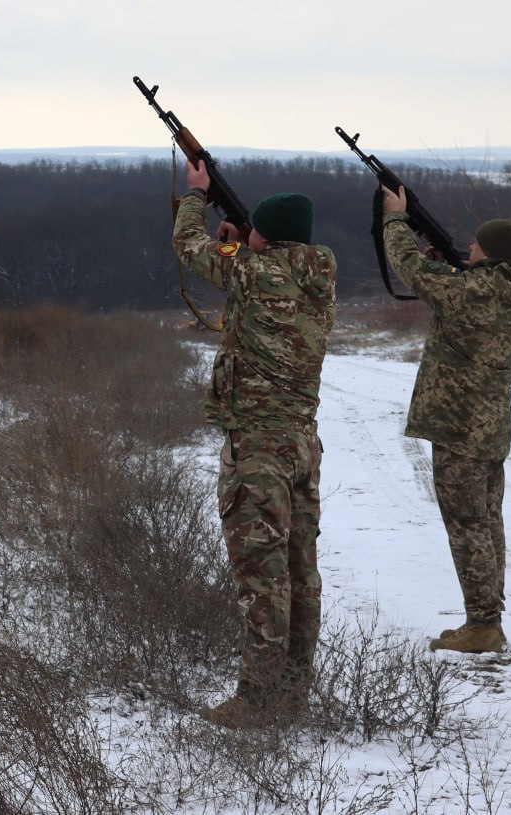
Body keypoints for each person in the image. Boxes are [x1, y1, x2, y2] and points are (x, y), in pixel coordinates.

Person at [172, 160, 335, 728]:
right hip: (302, 445)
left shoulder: (253, 270)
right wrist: (245, 243)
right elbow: (260, 268)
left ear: (267, 236)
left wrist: (196, 195)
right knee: (299, 573)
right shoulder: (315, 274)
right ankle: (292, 694)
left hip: (259, 450)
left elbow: (188, 245)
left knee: (261, 577)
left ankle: (258, 700)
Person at [380, 184, 511, 653]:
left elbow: (407, 267)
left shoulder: (470, 290)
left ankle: (483, 624)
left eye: (476, 245)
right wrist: (447, 265)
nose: (469, 247)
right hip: (490, 428)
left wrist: (395, 218)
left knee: (467, 526)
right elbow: (461, 284)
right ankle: (487, 616)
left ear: (490, 252)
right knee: (487, 522)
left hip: (458, 427)